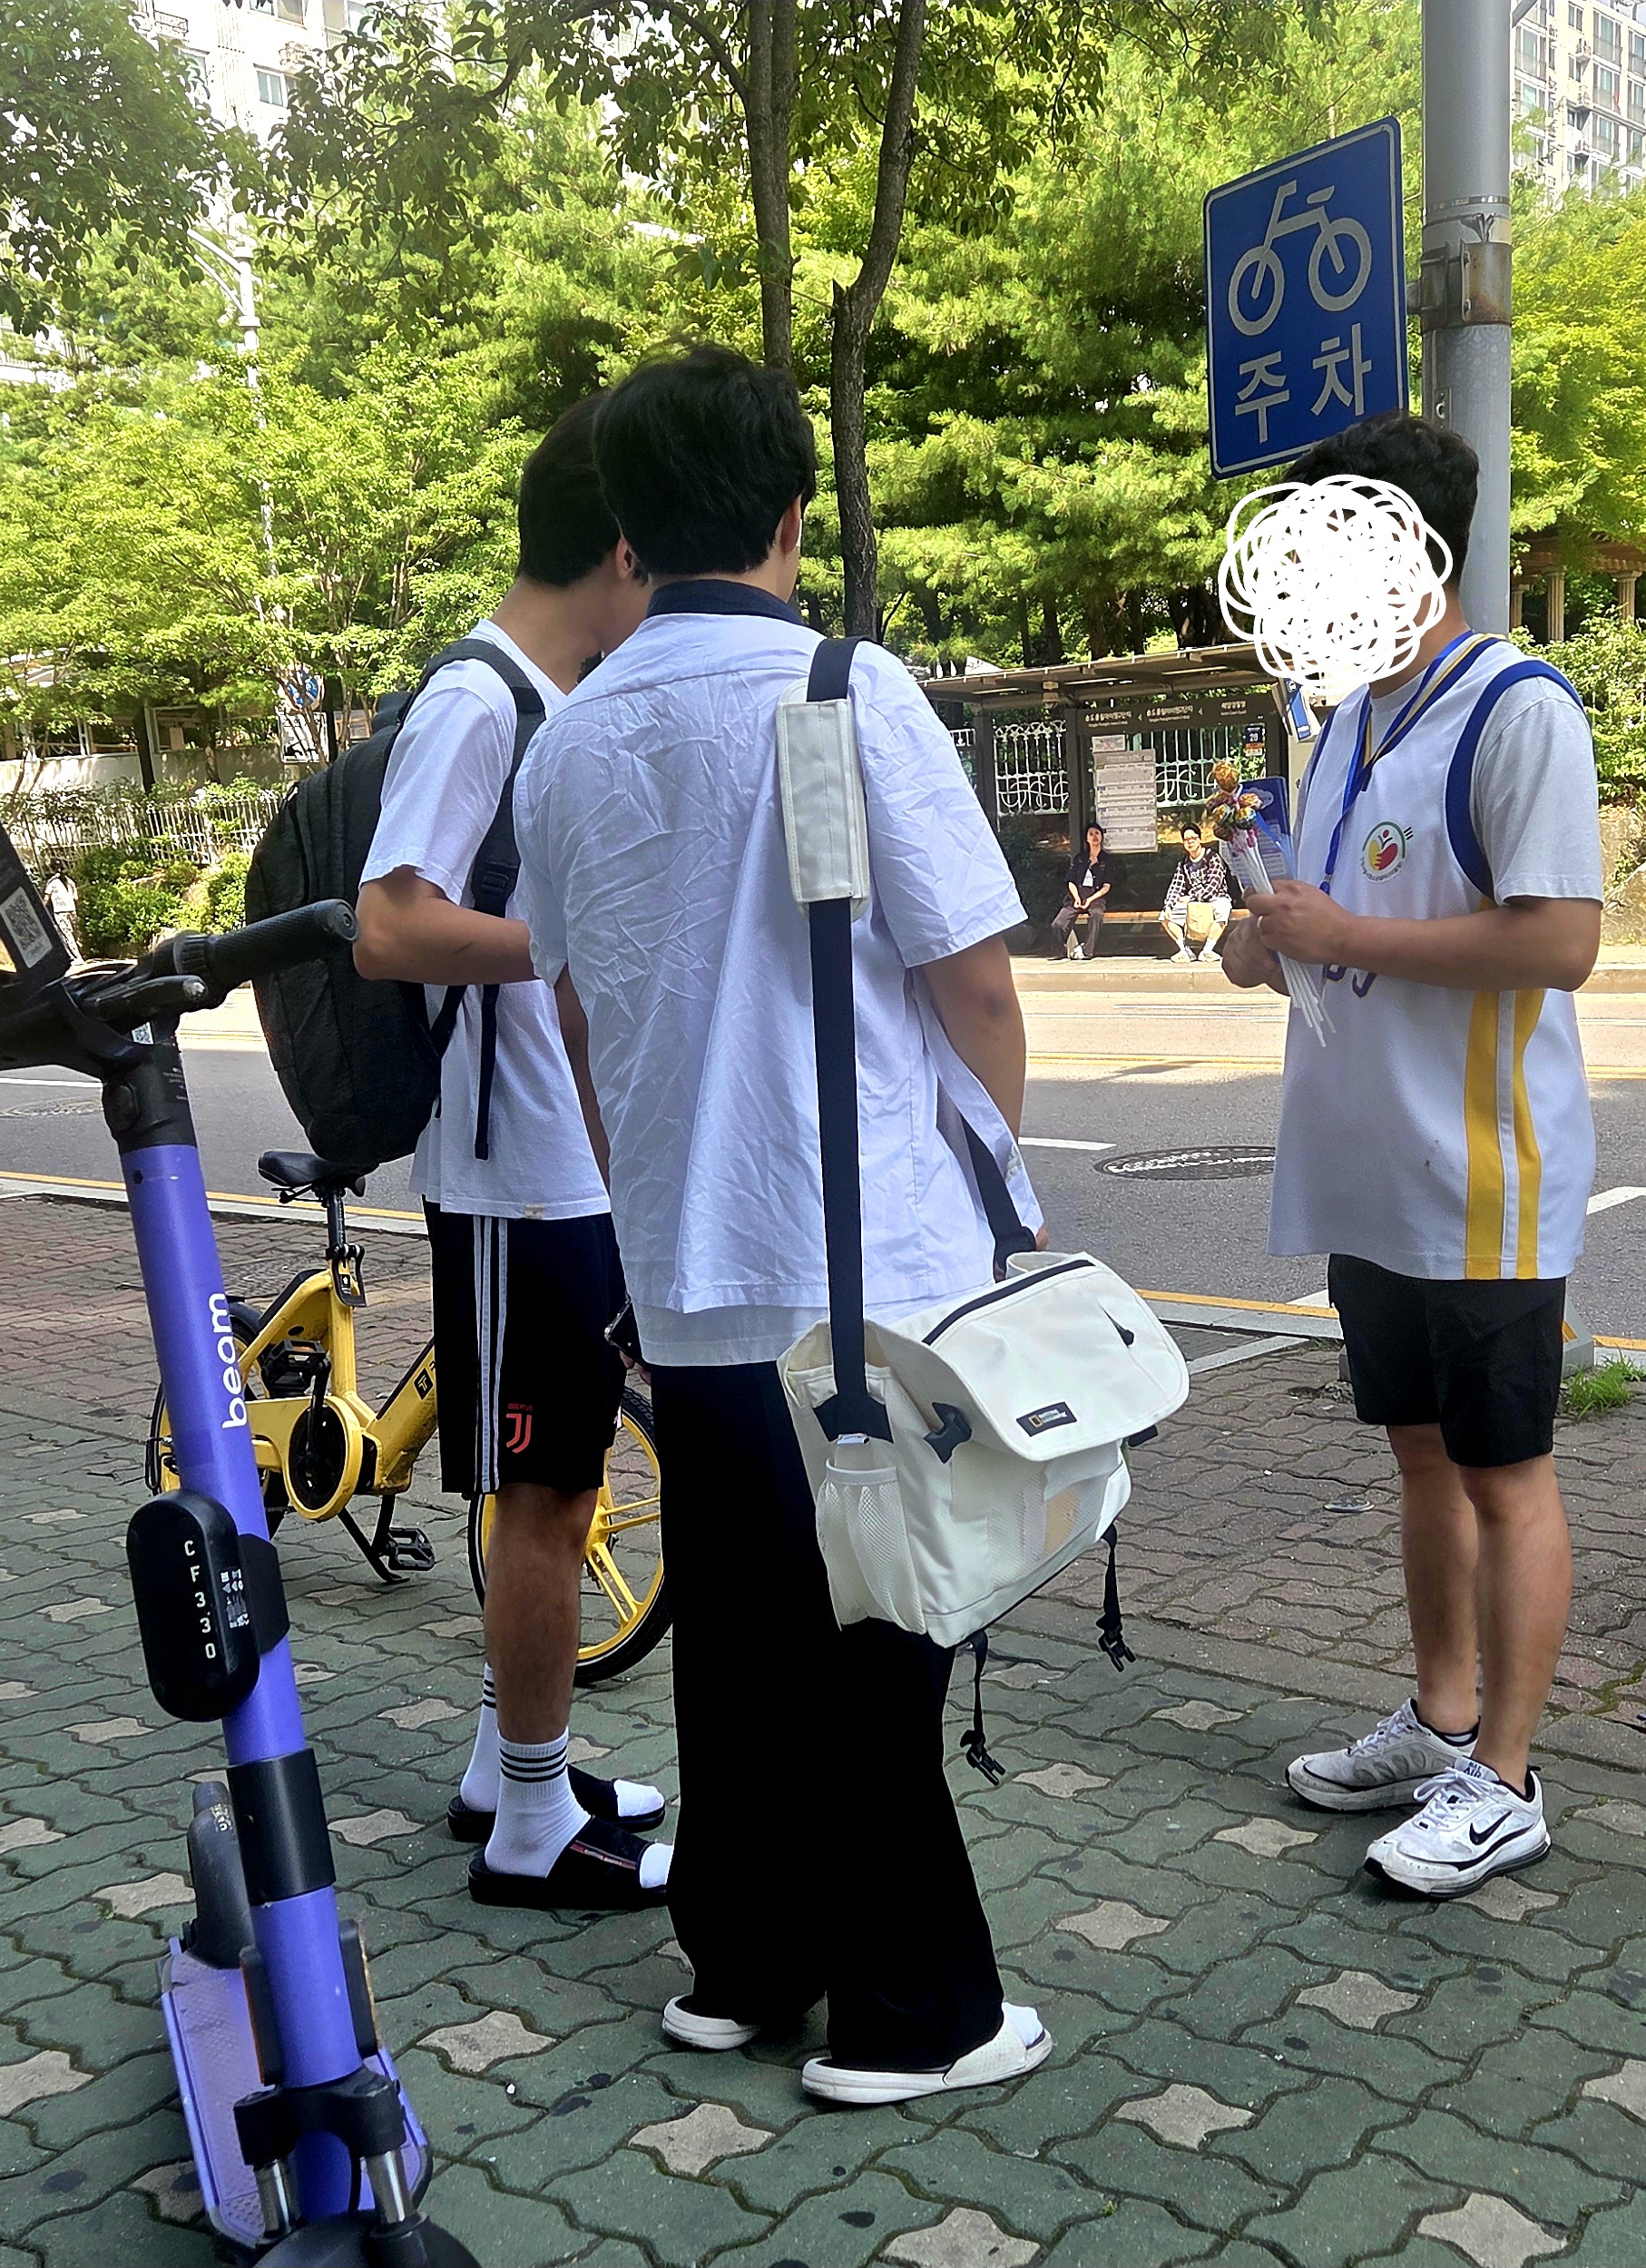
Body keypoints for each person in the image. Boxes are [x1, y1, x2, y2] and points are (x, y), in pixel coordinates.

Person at [512, 343, 1052, 2106]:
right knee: (879, 1645)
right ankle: (910, 2014)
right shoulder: (836, 692)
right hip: (861, 1271)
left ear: (627, 533)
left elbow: (578, 1018)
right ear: (792, 516)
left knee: (740, 1640)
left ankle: (739, 1966)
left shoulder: (570, 738)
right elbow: (972, 980)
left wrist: (658, 1196)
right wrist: (989, 1180)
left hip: (689, 1269)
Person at [1220, 407, 1604, 1900]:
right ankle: (1440, 1715)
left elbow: (1559, 939)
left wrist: (1344, 931)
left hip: (1481, 1174)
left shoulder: (1516, 711)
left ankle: (1504, 1778)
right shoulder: (1340, 725)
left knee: (1506, 1471)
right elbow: (1329, 929)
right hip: (1367, 1167)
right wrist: (1269, 941)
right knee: (1421, 1454)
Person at [350, 394, 671, 1910]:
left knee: (564, 1476)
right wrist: (566, 938)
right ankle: (533, 1823)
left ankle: (509, 1762)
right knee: (540, 1493)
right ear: (624, 551)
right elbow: (388, 921)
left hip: (561, 1167)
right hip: (511, 1178)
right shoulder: (479, 699)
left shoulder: (543, 698)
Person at [1158, 825, 1233, 964]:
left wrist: (1192, 898)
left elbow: (1213, 885)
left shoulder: (1212, 858)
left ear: (1199, 839)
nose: (1190, 842)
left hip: (1215, 898)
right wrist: (1168, 906)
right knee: (1165, 917)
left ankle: (1207, 951)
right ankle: (1184, 951)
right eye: (1186, 839)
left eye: (1193, 838)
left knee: (1223, 909)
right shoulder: (1183, 864)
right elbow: (1176, 886)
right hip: (1193, 902)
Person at [1048, 823, 1114, 959]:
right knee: (1058, 924)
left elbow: (1106, 886)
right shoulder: (1080, 859)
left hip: (1096, 897)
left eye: (1097, 833)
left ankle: (1087, 950)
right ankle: (1063, 948)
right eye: (1091, 834)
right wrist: (1077, 898)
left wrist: (1090, 900)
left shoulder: (1107, 860)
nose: (1094, 837)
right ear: (1086, 839)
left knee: (1096, 915)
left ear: (1102, 837)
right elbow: (1071, 881)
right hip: (1077, 895)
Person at [42, 862, 79, 947]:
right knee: (77, 934)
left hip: (60, 912)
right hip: (72, 909)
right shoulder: (70, 881)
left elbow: (46, 898)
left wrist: (40, 908)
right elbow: (76, 898)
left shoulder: (52, 883)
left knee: (68, 936)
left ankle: (76, 954)